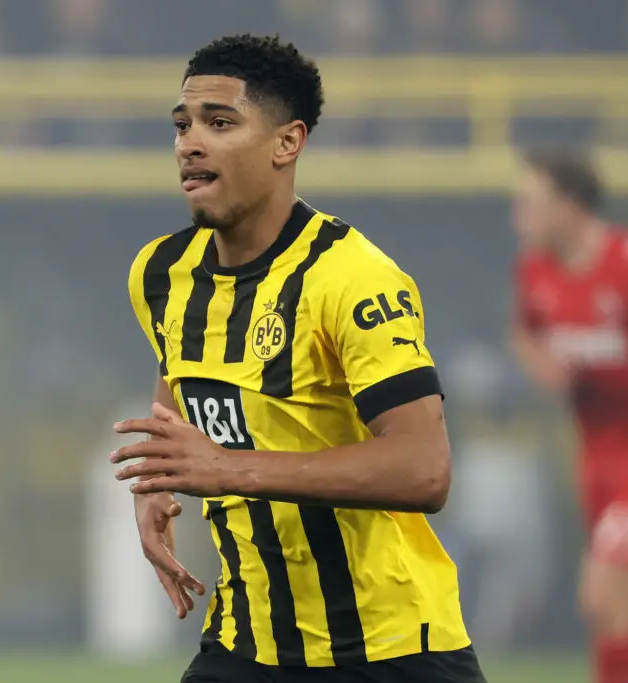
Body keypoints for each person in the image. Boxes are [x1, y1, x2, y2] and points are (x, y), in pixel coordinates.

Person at [111, 34, 485, 683]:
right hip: (246, 644)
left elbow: (424, 469)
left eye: (219, 123)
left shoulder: (352, 278)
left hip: (390, 650)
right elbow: (179, 375)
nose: (189, 143)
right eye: (182, 124)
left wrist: (229, 468)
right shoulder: (161, 273)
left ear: (287, 143)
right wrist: (157, 484)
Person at [510, 150, 628, 683]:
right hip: (595, 457)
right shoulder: (535, 271)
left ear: (569, 205)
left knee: (603, 593)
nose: (519, 216)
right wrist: (543, 364)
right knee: (613, 612)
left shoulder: (626, 263)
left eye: (530, 203)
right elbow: (525, 333)